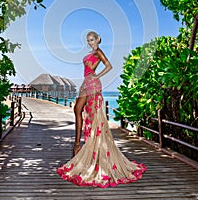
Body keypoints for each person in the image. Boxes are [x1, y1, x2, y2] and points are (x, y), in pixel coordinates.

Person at [57, 31, 146, 187]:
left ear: (98, 39)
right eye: (88, 40)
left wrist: (97, 76)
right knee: (79, 111)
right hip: (87, 82)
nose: (90, 42)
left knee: (82, 112)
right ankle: (79, 145)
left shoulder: (98, 51)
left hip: (92, 83)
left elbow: (109, 65)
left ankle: (78, 145)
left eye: (92, 39)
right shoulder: (91, 52)